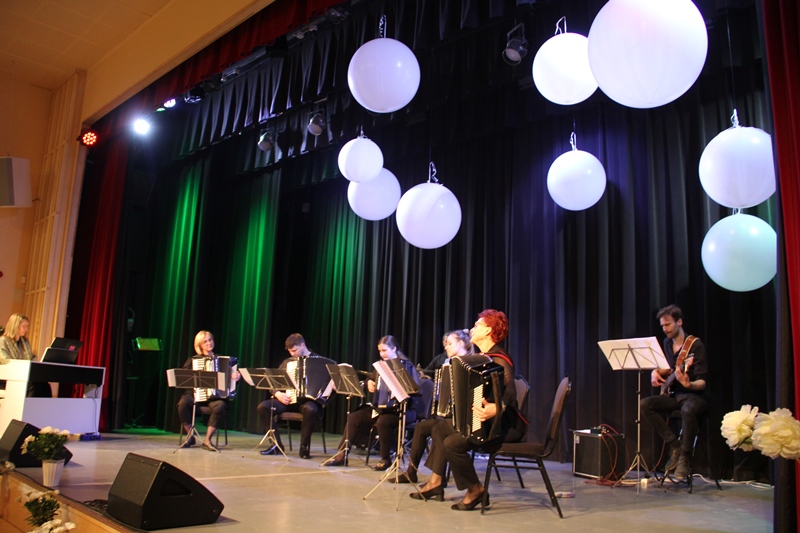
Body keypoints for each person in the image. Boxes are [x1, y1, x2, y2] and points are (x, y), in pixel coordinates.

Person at [412, 309, 517, 511]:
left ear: (488, 330)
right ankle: (436, 482)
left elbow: (511, 391)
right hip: (482, 421)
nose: (471, 328)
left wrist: (498, 407)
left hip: (501, 424)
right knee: (439, 428)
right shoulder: (480, 357)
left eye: (477, 325)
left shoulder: (499, 357)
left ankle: (475, 489)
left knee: (452, 443)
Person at [324, 335, 420, 470]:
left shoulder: (406, 366)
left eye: (384, 350)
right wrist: (369, 382)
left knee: (383, 422)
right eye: (380, 351)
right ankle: (342, 455)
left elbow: (416, 390)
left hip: (403, 409)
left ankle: (385, 459)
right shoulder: (380, 366)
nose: (382, 354)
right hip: (381, 408)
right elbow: (370, 378)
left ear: (394, 349)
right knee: (354, 417)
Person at [395, 328, 473, 484]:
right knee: (421, 427)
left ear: (460, 344)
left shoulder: (471, 364)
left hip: (463, 421)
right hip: (447, 417)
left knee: (439, 428)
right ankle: (411, 472)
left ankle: (438, 478)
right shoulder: (448, 364)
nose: (446, 347)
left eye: (449, 343)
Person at [641, 304, 709, 480]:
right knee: (645, 405)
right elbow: (669, 368)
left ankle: (685, 456)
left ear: (679, 322)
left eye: (668, 324)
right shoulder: (667, 343)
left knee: (688, 409)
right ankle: (674, 444)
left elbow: (703, 382)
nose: (665, 329)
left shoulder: (695, 346)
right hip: (675, 395)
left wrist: (689, 384)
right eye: (662, 326)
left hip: (695, 396)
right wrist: (655, 372)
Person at [257, 333, 333, 459]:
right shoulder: (288, 362)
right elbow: (273, 382)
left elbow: (332, 381)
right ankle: (276, 445)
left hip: (308, 402)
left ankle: (304, 447)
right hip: (289, 400)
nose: (292, 354)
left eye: (294, 350)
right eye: (290, 351)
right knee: (263, 407)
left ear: (303, 345)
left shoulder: (321, 362)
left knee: (310, 409)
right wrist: (278, 393)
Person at [177, 331, 239, 452]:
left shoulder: (223, 360)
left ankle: (207, 440)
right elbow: (185, 379)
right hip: (195, 394)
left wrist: (235, 378)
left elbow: (230, 385)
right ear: (199, 345)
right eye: (205, 342)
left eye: (210, 340)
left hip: (214, 397)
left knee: (220, 406)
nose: (208, 343)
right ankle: (190, 436)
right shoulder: (193, 360)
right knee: (182, 404)